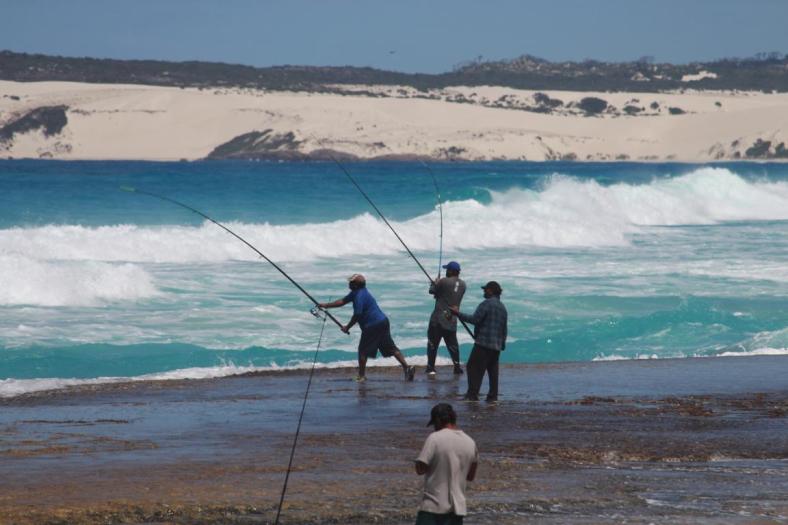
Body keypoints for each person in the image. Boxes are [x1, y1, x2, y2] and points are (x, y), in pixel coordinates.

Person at [318, 273, 415, 382]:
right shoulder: (357, 292)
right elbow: (342, 301)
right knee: (391, 348)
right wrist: (325, 305)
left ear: (355, 285)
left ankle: (361, 376)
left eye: (351, 282)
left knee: (362, 351)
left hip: (372, 325)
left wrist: (347, 327)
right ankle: (407, 367)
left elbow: (357, 314)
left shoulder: (359, 296)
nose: (349, 284)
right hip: (382, 321)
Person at [414, 403, 478, 525]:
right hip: (457, 509)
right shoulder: (470, 442)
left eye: (434, 424)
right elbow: (470, 476)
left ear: (438, 420)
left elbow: (420, 469)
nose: (434, 427)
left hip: (433, 507)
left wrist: (417, 461)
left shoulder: (434, 438)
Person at [449, 281, 507, 402]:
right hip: (496, 346)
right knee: (492, 372)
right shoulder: (503, 308)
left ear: (491, 290)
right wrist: (502, 345)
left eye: (485, 290)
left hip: (483, 343)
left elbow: (475, 319)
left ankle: (472, 395)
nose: (484, 292)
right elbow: (504, 329)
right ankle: (492, 397)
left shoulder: (486, 304)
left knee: (473, 367)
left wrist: (457, 313)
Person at [426, 261, 466, 378]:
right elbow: (448, 294)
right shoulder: (463, 285)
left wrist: (435, 283)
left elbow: (432, 291)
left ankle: (431, 367)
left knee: (433, 343)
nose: (445, 271)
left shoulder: (443, 281)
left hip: (438, 319)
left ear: (451, 271)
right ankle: (457, 367)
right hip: (451, 319)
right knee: (453, 345)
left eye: (447, 269)